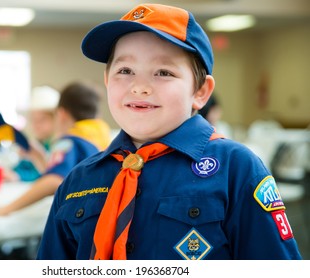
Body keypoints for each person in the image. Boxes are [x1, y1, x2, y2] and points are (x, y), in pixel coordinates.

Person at [36, 4, 302, 260]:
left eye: (163, 72)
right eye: (125, 70)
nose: (139, 87)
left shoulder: (237, 168)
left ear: (200, 92)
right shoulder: (78, 181)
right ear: (107, 81)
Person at [0, 81, 112, 217]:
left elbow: (54, 181)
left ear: (61, 114)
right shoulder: (100, 136)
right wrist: (38, 157)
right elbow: (65, 181)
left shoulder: (69, 141)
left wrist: (5, 209)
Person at [7, 86, 60, 182]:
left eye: (42, 120)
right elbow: (23, 167)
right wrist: (14, 173)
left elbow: (53, 178)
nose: (36, 125)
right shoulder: (40, 142)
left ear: (57, 119)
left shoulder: (58, 146)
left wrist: (37, 156)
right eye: (33, 120)